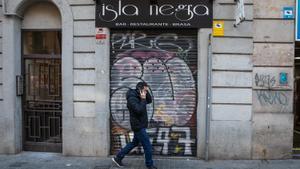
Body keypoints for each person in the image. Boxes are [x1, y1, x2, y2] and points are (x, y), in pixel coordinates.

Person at [112, 82, 157, 169]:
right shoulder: (132, 98)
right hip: (138, 126)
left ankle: (118, 157)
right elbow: (138, 110)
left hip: (141, 124)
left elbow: (150, 101)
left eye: (146, 90)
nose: (146, 91)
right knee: (147, 146)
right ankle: (149, 165)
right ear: (140, 89)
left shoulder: (140, 95)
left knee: (134, 143)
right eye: (144, 89)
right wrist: (143, 99)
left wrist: (146, 93)